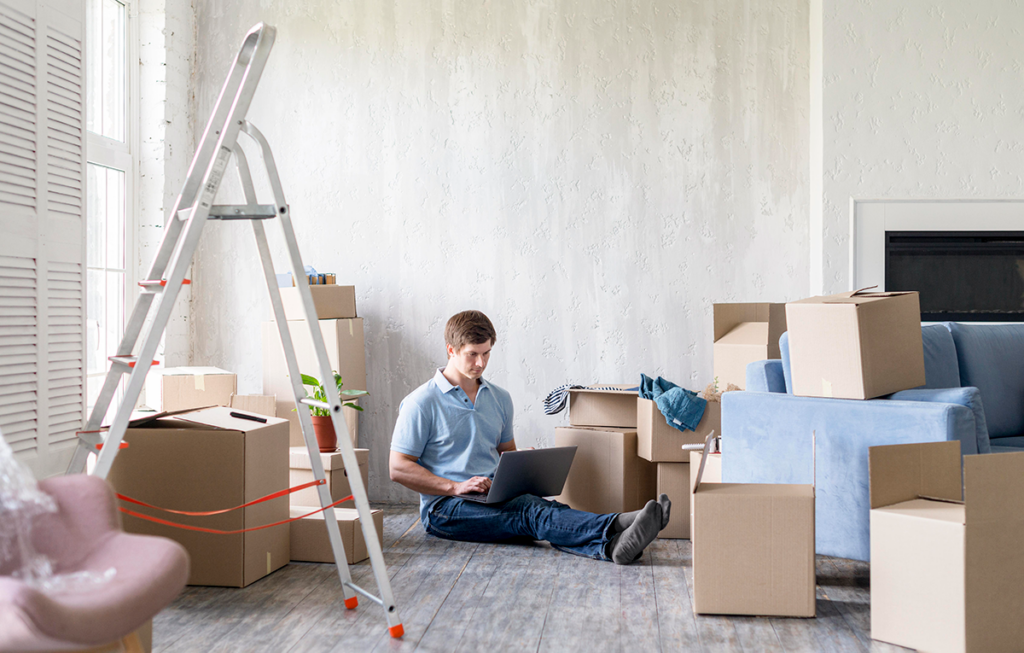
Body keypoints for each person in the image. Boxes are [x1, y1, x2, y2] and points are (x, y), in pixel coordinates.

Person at [389, 310, 670, 563]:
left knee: (539, 513)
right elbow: (398, 467)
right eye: (472, 354)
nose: (481, 362)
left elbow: (505, 454)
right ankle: (618, 523)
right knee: (530, 513)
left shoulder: (499, 398)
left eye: (486, 353)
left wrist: (523, 462)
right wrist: (454, 487)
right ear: (451, 350)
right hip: (445, 509)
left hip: (491, 496)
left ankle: (613, 548)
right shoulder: (421, 402)